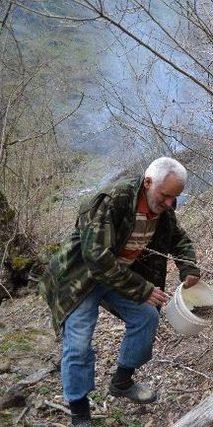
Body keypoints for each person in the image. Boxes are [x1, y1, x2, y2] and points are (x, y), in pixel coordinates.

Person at [39, 157, 200, 426]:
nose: (171, 203)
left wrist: (189, 267)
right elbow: (97, 258)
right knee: (78, 345)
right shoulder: (111, 200)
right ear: (148, 182)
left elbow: (178, 238)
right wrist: (142, 289)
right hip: (80, 279)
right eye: (166, 195)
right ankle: (79, 411)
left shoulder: (163, 207)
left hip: (119, 277)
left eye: (175, 197)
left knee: (146, 317)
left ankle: (122, 382)